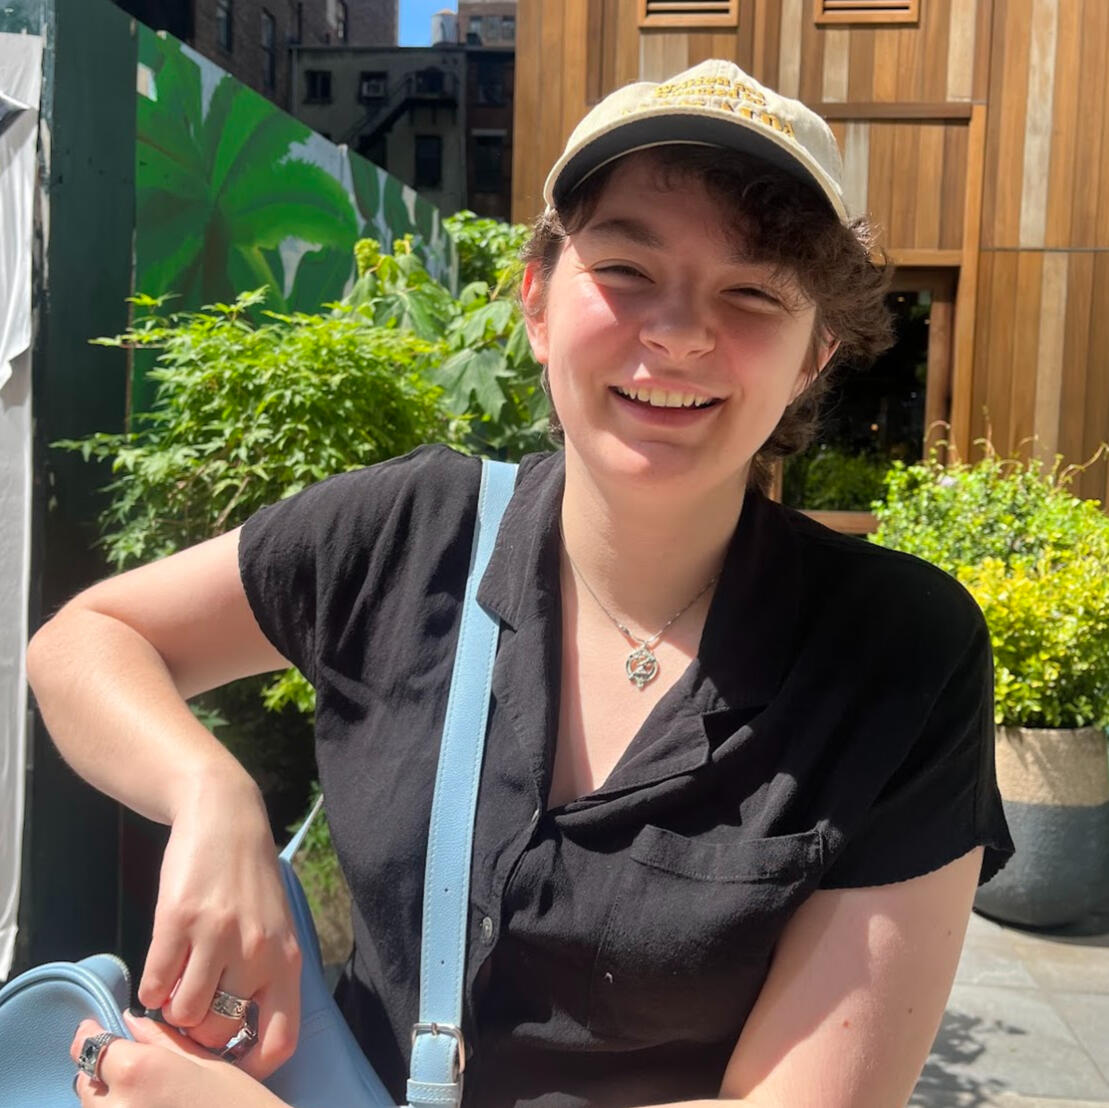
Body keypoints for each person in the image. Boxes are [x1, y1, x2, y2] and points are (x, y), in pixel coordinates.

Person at [29, 59, 1012, 1108]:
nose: (678, 331)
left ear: (814, 353)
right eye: (625, 268)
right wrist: (209, 795)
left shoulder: (897, 653)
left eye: (752, 291)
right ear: (536, 302)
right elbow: (85, 641)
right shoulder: (406, 531)